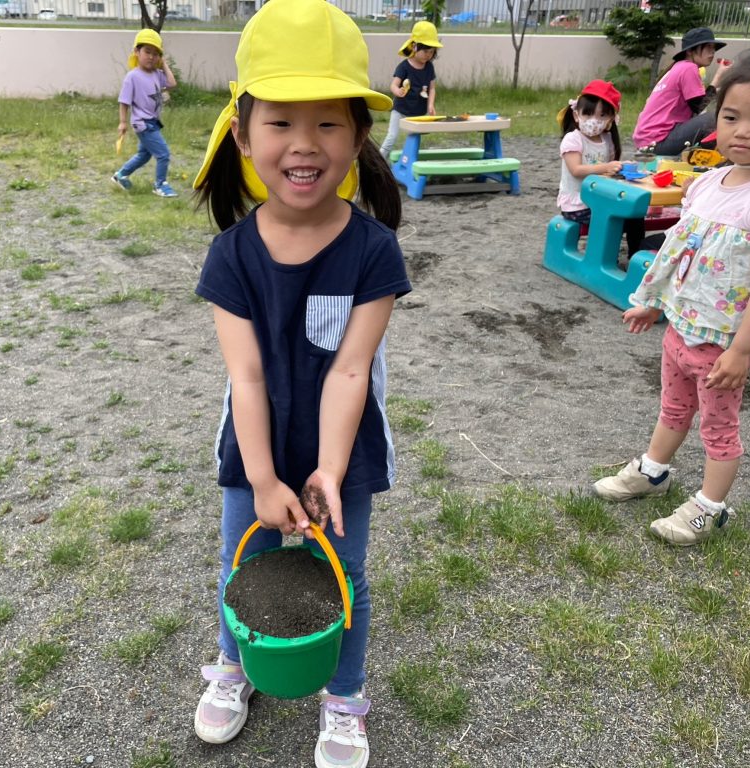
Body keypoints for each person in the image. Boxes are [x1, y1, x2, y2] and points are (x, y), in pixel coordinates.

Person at [191, 0, 410, 765]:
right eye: (281, 121)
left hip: (343, 452)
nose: (304, 143)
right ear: (243, 134)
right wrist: (261, 477)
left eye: (327, 123)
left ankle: (344, 698)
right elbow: (245, 375)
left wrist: (329, 470)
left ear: (359, 136)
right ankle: (234, 668)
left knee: (343, 575)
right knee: (243, 564)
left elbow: (351, 369)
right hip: (253, 447)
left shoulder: (375, 252)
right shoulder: (230, 256)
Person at [594, 46, 750, 546]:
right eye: (731, 117)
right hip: (681, 329)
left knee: (718, 427)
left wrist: (741, 350)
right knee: (672, 408)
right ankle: (653, 471)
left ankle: (710, 508)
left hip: (722, 344)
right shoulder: (708, 183)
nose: (742, 131)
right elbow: (681, 252)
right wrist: (655, 303)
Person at [557, 79, 646, 260]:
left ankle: (635, 259)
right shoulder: (573, 139)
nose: (594, 121)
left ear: (611, 120)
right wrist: (606, 166)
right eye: (588, 114)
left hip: (600, 199)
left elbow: (608, 171)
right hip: (578, 204)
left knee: (635, 216)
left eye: (602, 115)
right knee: (611, 218)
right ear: (576, 115)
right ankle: (603, 259)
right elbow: (576, 170)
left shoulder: (607, 140)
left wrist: (620, 168)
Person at [632, 27, 733, 156]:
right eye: (708, 47)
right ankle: (708, 162)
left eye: (713, 48)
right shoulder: (688, 68)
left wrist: (723, 87)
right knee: (714, 118)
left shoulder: (678, 67)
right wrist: (718, 76)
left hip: (647, 142)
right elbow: (699, 106)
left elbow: (699, 100)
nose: (712, 52)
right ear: (690, 51)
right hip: (658, 142)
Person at [111, 28, 179, 198]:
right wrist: (123, 122)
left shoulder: (157, 74)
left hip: (153, 122)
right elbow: (124, 101)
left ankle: (121, 175)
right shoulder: (132, 77)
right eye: (147, 52)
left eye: (156, 54)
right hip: (142, 123)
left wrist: (164, 64)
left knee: (144, 154)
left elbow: (172, 84)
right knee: (163, 154)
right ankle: (160, 185)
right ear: (136, 52)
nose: (151, 57)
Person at [378, 20, 442, 159]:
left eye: (432, 52)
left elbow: (432, 88)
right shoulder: (404, 67)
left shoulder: (429, 67)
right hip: (400, 109)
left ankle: (409, 161)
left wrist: (430, 105)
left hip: (418, 111)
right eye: (425, 51)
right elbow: (393, 85)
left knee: (414, 139)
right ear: (414, 46)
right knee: (392, 137)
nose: (428, 55)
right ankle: (378, 161)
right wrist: (397, 91)